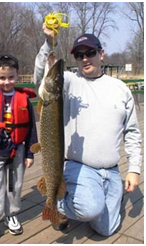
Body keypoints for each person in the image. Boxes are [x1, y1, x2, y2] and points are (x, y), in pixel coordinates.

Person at [34, 23, 142, 236]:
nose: (85, 58)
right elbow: (40, 77)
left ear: (101, 54)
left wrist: (134, 168)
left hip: (111, 169)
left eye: (90, 53)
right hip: (79, 166)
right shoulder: (69, 83)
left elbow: (132, 132)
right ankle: (60, 203)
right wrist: (49, 42)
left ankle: (101, 197)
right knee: (90, 209)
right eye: (79, 55)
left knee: (107, 230)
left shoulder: (120, 89)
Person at [0, 54, 38, 244]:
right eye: (2, 78)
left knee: (13, 186)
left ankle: (11, 214)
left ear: (17, 76)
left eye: (11, 77)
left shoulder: (23, 99)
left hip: (16, 151)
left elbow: (30, 129)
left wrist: (29, 153)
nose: (7, 82)